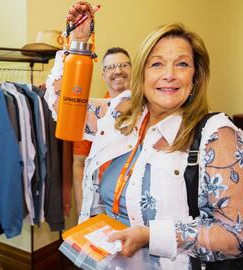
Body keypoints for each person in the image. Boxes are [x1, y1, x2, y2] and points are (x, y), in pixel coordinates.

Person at [46, 2, 243, 269]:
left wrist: (151, 236)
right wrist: (79, 42)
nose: (169, 75)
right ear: (142, 73)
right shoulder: (122, 114)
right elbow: (63, 103)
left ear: (195, 77)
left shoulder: (217, 136)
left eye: (182, 64)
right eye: (157, 64)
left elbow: (235, 235)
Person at [73, 47, 132, 215]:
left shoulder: (146, 109)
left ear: (132, 69)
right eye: (111, 67)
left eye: (124, 65)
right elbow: (79, 164)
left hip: (131, 205)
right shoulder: (92, 115)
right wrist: (81, 210)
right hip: (101, 206)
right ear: (103, 75)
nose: (118, 71)